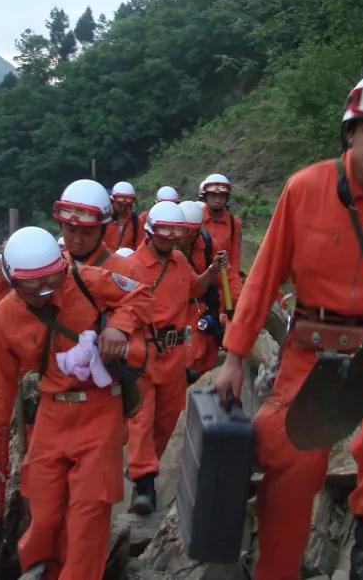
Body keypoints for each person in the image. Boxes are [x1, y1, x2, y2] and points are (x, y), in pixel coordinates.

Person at [214, 71, 363, 580]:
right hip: (310, 347)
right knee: (291, 459)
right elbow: (263, 277)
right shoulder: (306, 188)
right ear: (350, 133)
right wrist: (234, 357)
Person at [0, 226, 153, 580]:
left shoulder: (85, 280)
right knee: (44, 510)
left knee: (88, 514)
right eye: (34, 285)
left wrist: (119, 326)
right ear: (12, 280)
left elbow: (141, 296)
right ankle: (41, 569)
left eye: (53, 279)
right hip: (51, 415)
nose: (46, 290)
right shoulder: (3, 320)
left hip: (99, 411)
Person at [126, 201, 227, 514]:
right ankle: (144, 484)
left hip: (173, 354)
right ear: (150, 232)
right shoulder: (131, 266)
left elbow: (194, 287)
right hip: (143, 353)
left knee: (167, 418)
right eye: (164, 233)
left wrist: (211, 272)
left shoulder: (181, 261)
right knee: (142, 418)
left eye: (175, 234)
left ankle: (144, 469)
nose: (171, 239)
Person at [178, 199, 224, 379]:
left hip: (200, 307)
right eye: (185, 231)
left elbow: (228, 276)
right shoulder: (163, 246)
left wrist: (230, 311)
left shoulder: (208, 244)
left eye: (193, 232)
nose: (187, 237)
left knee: (204, 354)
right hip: (175, 308)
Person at [53, 179, 135, 272]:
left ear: (103, 230)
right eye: (70, 230)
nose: (77, 240)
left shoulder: (125, 272)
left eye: (87, 233)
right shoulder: (53, 272)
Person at [200, 173, 244, 304]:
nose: (217, 200)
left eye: (221, 196)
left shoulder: (234, 222)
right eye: (213, 195)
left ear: (227, 198)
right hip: (201, 281)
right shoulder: (197, 218)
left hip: (225, 280)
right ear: (206, 196)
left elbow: (235, 256)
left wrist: (234, 284)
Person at [103, 181, 142, 251]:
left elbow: (140, 247)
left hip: (129, 260)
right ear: (112, 200)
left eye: (127, 204)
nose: (123, 207)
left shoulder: (136, 221)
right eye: (120, 202)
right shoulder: (104, 219)